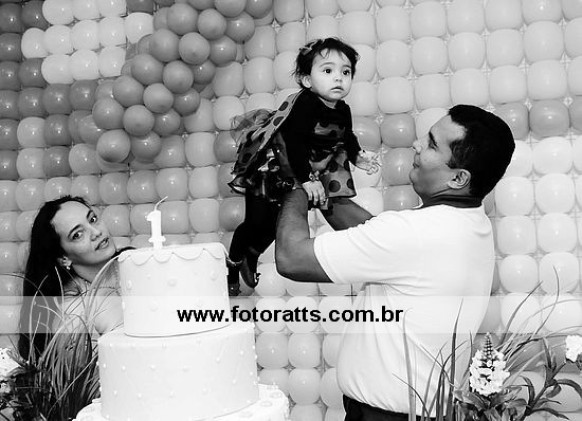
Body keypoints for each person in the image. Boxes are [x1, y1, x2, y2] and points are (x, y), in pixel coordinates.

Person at [275, 105, 515, 420]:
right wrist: (322, 177)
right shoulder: (468, 221)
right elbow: (377, 239)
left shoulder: (414, 234)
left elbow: (291, 258)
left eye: (431, 145)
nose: (416, 145)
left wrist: (295, 182)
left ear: (458, 177)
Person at [228, 37, 379, 295]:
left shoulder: (343, 109)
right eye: (328, 71)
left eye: (346, 72)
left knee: (277, 224)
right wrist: (308, 180)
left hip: (304, 169)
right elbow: (293, 143)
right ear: (307, 80)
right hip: (275, 167)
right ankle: (232, 264)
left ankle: (251, 254)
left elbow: (346, 137)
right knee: (256, 221)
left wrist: (359, 157)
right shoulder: (306, 103)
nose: (339, 78)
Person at [18, 196, 127, 359]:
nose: (96, 232)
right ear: (64, 258)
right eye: (78, 234)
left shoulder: (137, 263)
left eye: (93, 219)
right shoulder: (73, 314)